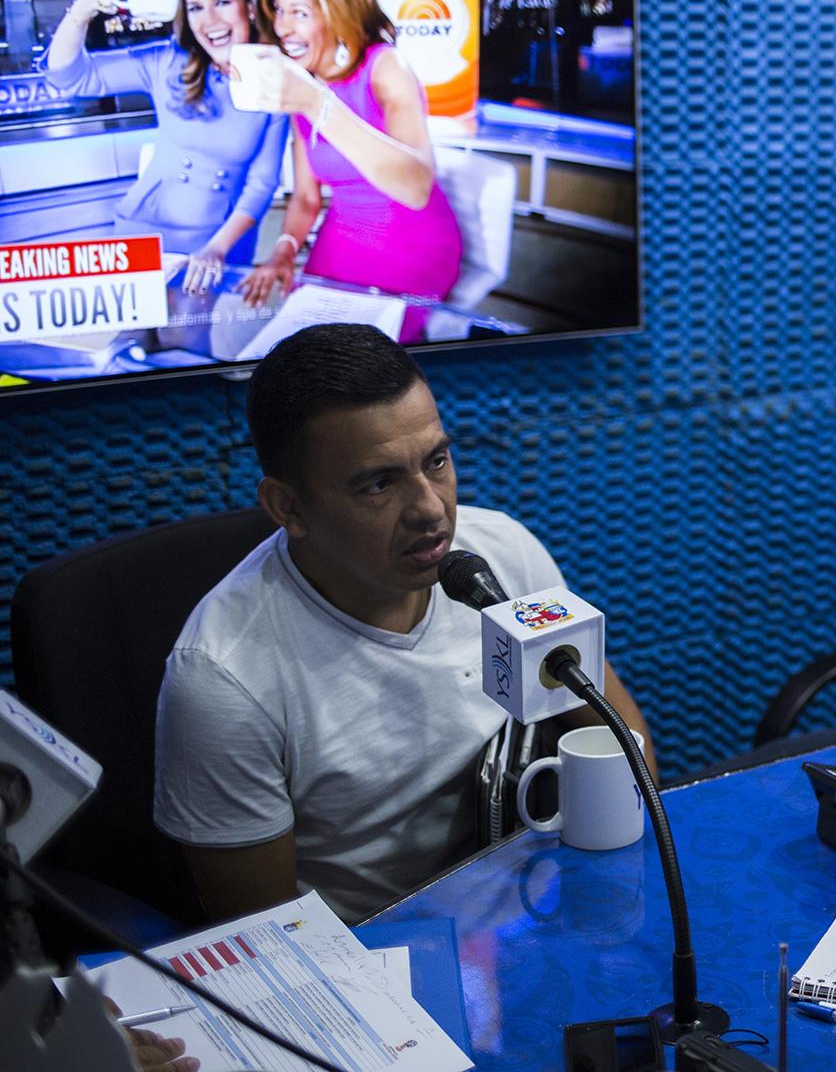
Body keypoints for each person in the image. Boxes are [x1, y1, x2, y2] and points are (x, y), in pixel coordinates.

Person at [154, 323, 655, 923]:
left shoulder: (504, 552)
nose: (431, 508)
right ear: (288, 506)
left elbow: (625, 750)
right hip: (376, 962)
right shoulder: (223, 678)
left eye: (436, 461)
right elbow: (266, 937)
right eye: (379, 483)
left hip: (535, 907)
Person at [239, 0, 462, 340]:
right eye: (279, 10)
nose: (283, 27)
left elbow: (416, 188)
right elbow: (307, 198)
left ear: (339, 16)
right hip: (343, 235)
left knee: (361, 360)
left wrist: (316, 102)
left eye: (300, 13)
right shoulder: (303, 85)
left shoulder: (385, 67)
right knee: (303, 346)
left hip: (411, 240)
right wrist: (285, 248)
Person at [42, 0, 289, 289]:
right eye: (196, 7)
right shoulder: (166, 62)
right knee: (131, 338)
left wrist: (217, 248)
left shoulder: (275, 76)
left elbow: (262, 184)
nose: (210, 20)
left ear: (248, 6)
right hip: (143, 232)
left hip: (217, 242)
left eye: (222, 2)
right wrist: (81, 12)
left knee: (186, 338)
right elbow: (68, 77)